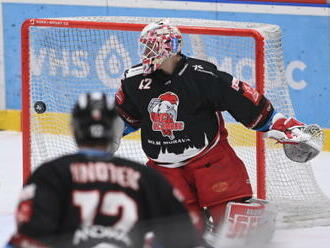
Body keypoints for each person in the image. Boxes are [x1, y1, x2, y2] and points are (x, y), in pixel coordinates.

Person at [114, 19, 313, 234]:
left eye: (152, 46)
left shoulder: (203, 76)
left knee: (234, 231)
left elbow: (250, 105)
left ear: (171, 47)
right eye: (145, 46)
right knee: (182, 234)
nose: (147, 52)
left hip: (210, 161)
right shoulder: (134, 81)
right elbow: (125, 117)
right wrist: (107, 136)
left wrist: (284, 126)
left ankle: (246, 212)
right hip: (164, 169)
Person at [7, 92, 203, 248]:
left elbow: (28, 239)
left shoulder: (51, 174)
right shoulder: (147, 178)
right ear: (113, 129)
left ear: (75, 128)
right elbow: (183, 238)